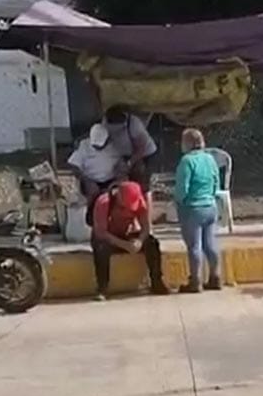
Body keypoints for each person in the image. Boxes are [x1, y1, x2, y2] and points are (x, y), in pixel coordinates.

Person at [90, 180, 170, 301]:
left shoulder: (139, 201)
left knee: (152, 243)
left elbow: (146, 227)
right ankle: (102, 288)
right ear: (119, 196)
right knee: (101, 249)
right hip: (108, 237)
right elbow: (101, 232)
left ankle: (157, 282)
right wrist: (124, 244)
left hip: (126, 234)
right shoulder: (104, 203)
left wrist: (139, 241)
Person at [175, 128, 222, 293]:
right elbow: (216, 182)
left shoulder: (187, 161)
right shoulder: (210, 159)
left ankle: (195, 281)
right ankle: (215, 276)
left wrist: (179, 202)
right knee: (210, 244)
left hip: (192, 208)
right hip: (210, 206)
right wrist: (211, 196)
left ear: (187, 143)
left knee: (194, 246)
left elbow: (183, 188)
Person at [103, 105, 158, 198]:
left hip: (144, 154)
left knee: (140, 177)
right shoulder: (105, 122)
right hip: (123, 154)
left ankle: (142, 202)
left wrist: (130, 163)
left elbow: (141, 148)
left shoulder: (134, 124)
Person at [67, 123, 122, 203]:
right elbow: (73, 165)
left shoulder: (115, 146)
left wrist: (118, 178)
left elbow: (121, 164)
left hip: (111, 180)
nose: (98, 147)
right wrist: (86, 180)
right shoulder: (84, 146)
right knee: (92, 196)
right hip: (90, 181)